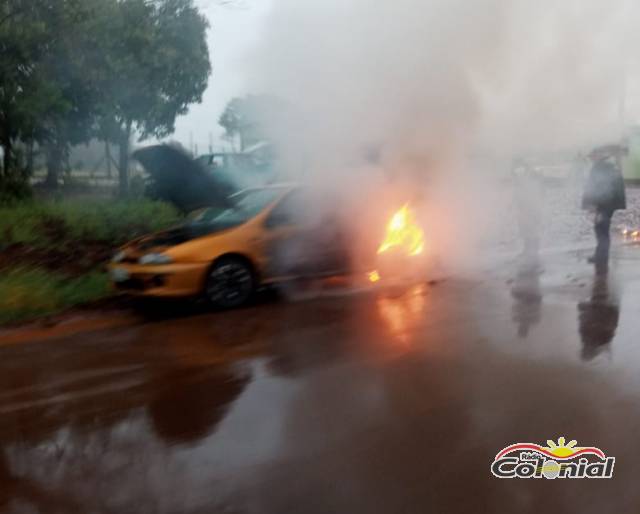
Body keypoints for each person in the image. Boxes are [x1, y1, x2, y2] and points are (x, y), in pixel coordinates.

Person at [581, 145, 627, 273]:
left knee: (601, 230)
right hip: (607, 204)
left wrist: (595, 205)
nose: (591, 159)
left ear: (597, 156)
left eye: (592, 156)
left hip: (602, 204)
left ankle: (601, 257)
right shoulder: (611, 166)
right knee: (602, 230)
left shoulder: (601, 168)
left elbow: (596, 187)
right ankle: (601, 256)